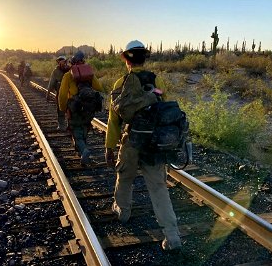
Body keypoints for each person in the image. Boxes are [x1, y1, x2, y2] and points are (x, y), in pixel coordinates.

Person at [105, 40, 182, 252]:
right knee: (158, 188)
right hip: (154, 143)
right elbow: (164, 110)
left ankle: (123, 212)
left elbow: (114, 120)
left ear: (126, 60)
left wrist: (110, 146)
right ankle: (172, 235)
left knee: (125, 177)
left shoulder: (121, 82)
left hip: (131, 141)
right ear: (144, 58)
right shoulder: (157, 81)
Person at [58, 50, 104, 165]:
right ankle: (83, 153)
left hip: (75, 108)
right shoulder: (89, 74)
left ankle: (84, 150)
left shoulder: (68, 75)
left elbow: (62, 95)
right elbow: (99, 87)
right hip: (89, 108)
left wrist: (63, 108)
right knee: (84, 128)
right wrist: (91, 78)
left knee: (75, 130)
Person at [46, 56, 70, 131]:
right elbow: (52, 82)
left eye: (62, 61)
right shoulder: (57, 71)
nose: (62, 62)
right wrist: (48, 93)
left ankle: (66, 125)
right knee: (61, 109)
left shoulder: (69, 69)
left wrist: (48, 93)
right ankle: (62, 125)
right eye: (60, 61)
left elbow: (52, 83)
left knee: (66, 109)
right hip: (63, 93)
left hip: (67, 93)